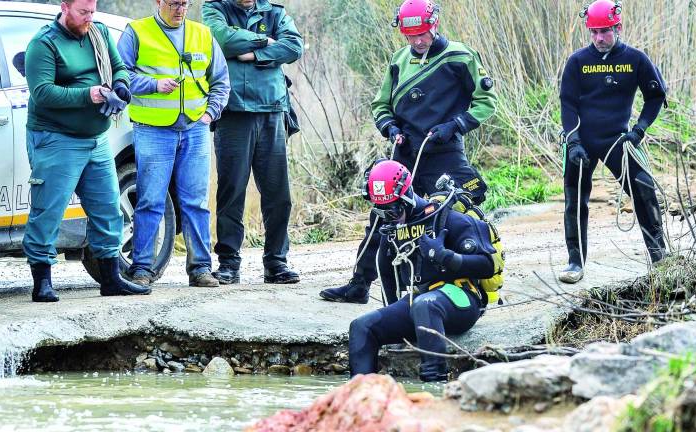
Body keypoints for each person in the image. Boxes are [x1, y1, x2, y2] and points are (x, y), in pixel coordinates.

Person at [320, 0, 497, 304]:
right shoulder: (398, 60)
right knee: (382, 215)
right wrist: (390, 128)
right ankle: (360, 284)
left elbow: (487, 101)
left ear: (434, 25)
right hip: (405, 153)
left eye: (422, 35)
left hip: (445, 149)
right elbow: (380, 104)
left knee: (461, 212)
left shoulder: (460, 56)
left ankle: (479, 285)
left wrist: (454, 125)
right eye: (410, 36)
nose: (417, 41)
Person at [24, 0, 150, 302]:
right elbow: (41, 93)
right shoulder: (43, 44)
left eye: (92, 11)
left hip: (96, 139)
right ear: (65, 7)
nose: (89, 18)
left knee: (108, 208)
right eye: (83, 12)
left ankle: (110, 279)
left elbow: (119, 67)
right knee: (48, 209)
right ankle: (42, 282)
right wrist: (89, 94)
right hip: (57, 139)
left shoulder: (100, 32)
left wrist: (120, 88)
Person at [348, 160, 495, 382]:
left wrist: (445, 256)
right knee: (361, 327)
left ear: (407, 195)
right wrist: (392, 318)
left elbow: (487, 264)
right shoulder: (393, 229)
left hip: (462, 297)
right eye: (381, 211)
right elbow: (386, 272)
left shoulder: (448, 218)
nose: (389, 216)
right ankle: (357, 395)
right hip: (421, 300)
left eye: (394, 209)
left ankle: (434, 386)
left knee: (424, 304)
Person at [118, 0, 231, 287]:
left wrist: (209, 114)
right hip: (153, 131)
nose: (180, 9)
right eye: (173, 3)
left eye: (185, 3)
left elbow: (220, 81)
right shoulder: (137, 32)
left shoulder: (203, 34)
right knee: (150, 200)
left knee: (196, 202)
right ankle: (142, 268)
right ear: (158, 2)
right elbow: (120, 76)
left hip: (194, 129)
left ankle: (200, 269)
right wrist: (154, 85)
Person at [559, 0, 668, 284]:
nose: (599, 38)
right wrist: (573, 142)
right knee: (574, 199)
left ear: (618, 28)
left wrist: (639, 130)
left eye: (605, 31)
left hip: (619, 139)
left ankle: (659, 257)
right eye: (594, 32)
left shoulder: (635, 59)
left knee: (644, 190)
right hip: (582, 141)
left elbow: (656, 96)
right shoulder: (577, 61)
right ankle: (575, 262)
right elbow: (567, 104)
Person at [201, 0, 304, 285]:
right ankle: (229, 263)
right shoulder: (215, 9)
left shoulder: (275, 11)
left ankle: (276, 262)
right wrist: (265, 42)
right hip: (234, 112)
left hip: (272, 110)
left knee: (278, 193)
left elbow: (294, 46)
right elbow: (221, 39)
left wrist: (253, 55)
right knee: (231, 191)